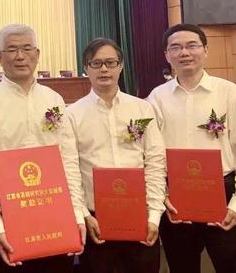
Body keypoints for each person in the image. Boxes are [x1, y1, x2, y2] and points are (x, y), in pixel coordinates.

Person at [147, 23, 236, 273]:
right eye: (175, 47)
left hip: (225, 194)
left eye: (192, 45)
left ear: (206, 50)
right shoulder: (156, 97)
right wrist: (162, 196)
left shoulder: (229, 93)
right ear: (166, 55)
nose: (184, 52)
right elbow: (150, 153)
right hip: (175, 198)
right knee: (182, 267)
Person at [0, 23, 85, 273]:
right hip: (8, 219)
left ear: (37, 54)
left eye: (26, 48)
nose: (20, 56)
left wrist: (76, 213)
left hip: (53, 214)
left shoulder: (53, 99)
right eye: (12, 49)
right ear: (0, 57)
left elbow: (68, 161)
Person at [66, 38, 165, 273]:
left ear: (121, 66)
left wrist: (154, 216)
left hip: (140, 216)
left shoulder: (142, 108)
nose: (104, 69)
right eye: (96, 63)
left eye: (110, 62)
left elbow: (155, 162)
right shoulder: (72, 114)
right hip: (96, 221)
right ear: (86, 68)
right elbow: (69, 169)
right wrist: (82, 215)